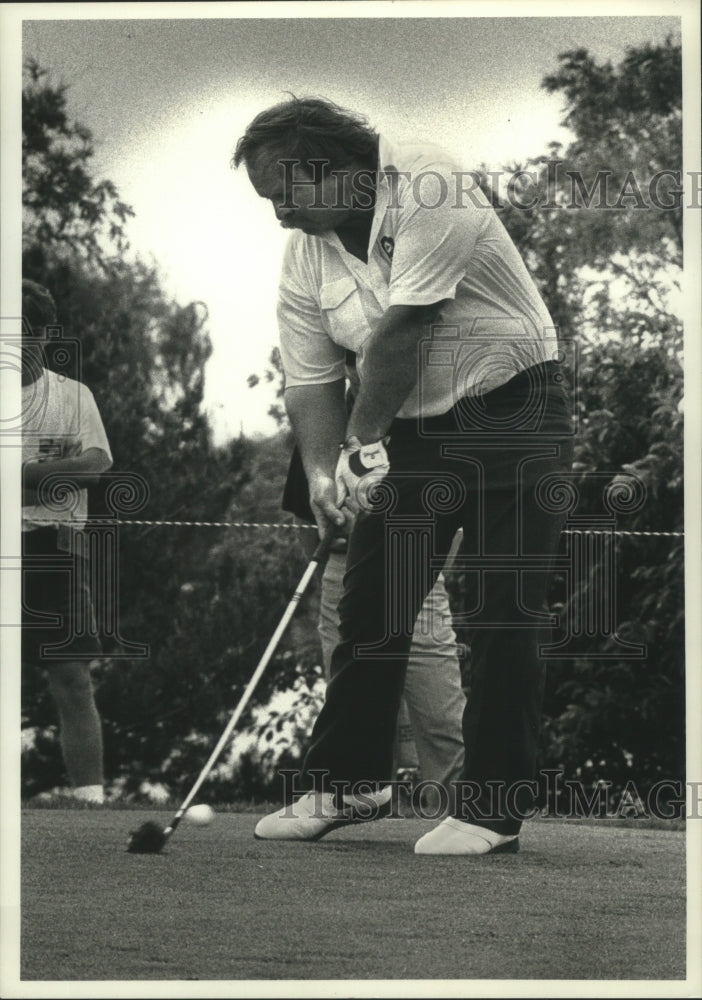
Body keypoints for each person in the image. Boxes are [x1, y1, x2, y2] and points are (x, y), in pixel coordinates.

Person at [234, 97, 574, 854]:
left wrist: (361, 446)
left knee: (502, 609)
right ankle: (351, 784)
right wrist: (325, 476)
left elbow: (405, 328)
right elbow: (311, 379)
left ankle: (491, 810)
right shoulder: (307, 251)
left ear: (342, 170)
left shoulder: (429, 181)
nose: (279, 211)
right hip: (410, 424)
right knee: (374, 603)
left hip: (512, 406)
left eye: (287, 191)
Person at [283, 441, 466, 808]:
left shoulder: (419, 428)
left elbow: (452, 523)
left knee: (440, 711)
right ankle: (357, 799)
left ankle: (456, 811)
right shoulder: (320, 432)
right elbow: (305, 520)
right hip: (344, 571)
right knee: (352, 704)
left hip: (416, 570)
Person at [21, 279, 113, 805]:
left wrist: (26, 474)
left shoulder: (73, 396)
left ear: (45, 334)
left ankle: (91, 799)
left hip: (58, 548)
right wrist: (55, 475)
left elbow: (96, 467)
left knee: (72, 677)